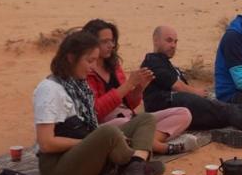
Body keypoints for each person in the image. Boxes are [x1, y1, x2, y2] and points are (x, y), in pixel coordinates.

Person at [31, 28, 161, 175]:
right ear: (71, 58)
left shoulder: (80, 86)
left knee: (146, 119)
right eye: (89, 61)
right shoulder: (49, 89)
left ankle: (133, 167)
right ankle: (134, 164)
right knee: (108, 132)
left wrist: (96, 142)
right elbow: (46, 144)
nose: (93, 67)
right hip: (59, 171)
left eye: (95, 61)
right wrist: (92, 143)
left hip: (83, 156)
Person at [141, 24, 242, 145]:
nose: (173, 45)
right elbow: (178, 87)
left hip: (183, 106)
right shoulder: (152, 61)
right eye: (169, 41)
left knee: (239, 110)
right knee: (227, 110)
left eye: (175, 42)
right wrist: (198, 93)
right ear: (156, 40)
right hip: (169, 105)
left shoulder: (168, 64)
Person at [81, 18, 194, 155]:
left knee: (183, 113)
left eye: (112, 41)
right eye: (105, 41)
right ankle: (161, 147)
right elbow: (95, 111)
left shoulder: (113, 65)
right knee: (120, 123)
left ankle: (148, 142)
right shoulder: (85, 71)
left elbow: (130, 104)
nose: (110, 45)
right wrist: (128, 84)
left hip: (132, 120)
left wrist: (140, 87)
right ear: (90, 43)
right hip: (107, 127)